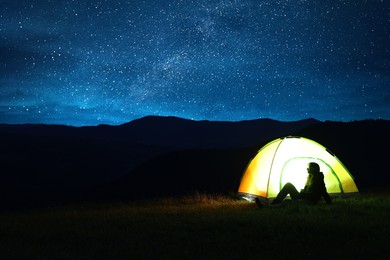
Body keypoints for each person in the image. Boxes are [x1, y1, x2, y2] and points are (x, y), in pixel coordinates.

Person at [255, 162, 332, 208]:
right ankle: (275, 202)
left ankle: (268, 207)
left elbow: (323, 191)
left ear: (314, 169)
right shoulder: (309, 177)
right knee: (288, 185)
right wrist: (302, 192)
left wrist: (329, 203)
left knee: (287, 202)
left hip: (309, 201)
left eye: (308, 168)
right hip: (303, 196)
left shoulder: (319, 179)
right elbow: (306, 189)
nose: (307, 169)